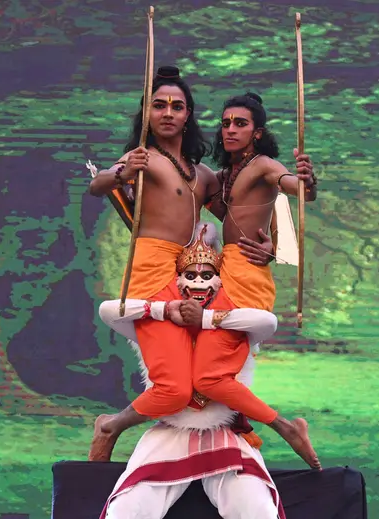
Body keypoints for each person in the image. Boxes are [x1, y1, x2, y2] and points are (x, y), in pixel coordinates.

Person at [88, 66, 274, 461]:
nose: (168, 113)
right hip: (153, 275)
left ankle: (223, 439)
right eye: (159, 105)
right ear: (147, 114)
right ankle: (110, 427)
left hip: (194, 279)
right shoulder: (143, 159)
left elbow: (242, 214)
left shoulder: (204, 175)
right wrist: (123, 172)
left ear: (188, 114)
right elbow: (99, 184)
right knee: (174, 387)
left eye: (177, 106)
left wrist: (270, 245)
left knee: (205, 377)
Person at [97, 222, 290, 519]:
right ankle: (110, 427)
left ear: (220, 282)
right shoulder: (155, 326)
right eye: (190, 276)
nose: (198, 284)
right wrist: (163, 310)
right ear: (178, 281)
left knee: (257, 512)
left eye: (207, 276)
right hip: (169, 433)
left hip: (225, 434)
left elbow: (267, 322)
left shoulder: (239, 324)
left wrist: (209, 319)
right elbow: (108, 310)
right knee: (127, 513)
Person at [182, 92, 320, 465]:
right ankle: (235, 428)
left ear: (257, 132)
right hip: (224, 272)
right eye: (226, 123)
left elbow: (294, 187)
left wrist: (305, 179)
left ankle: (285, 428)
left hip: (247, 276)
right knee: (213, 369)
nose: (230, 130)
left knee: (211, 374)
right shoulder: (225, 176)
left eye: (240, 123)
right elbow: (199, 202)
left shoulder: (262, 165)